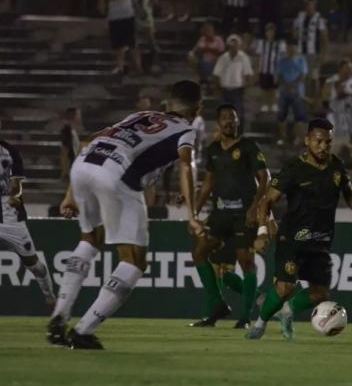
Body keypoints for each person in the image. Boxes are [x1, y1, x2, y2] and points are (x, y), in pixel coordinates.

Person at [46, 80, 203, 350]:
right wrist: (193, 213)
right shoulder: (186, 130)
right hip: (116, 174)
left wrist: (70, 194)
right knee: (133, 262)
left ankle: (58, 315)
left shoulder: (139, 116)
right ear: (198, 108)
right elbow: (187, 166)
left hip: (85, 164)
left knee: (89, 239)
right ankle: (83, 331)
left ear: (167, 103)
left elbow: (88, 140)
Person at [246, 118, 352, 340]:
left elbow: (349, 192)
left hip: (321, 240)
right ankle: (260, 324)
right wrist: (263, 231)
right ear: (307, 140)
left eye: (328, 142)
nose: (324, 146)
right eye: (319, 141)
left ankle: (287, 312)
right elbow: (267, 201)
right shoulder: (294, 169)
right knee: (285, 288)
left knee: (320, 293)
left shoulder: (336, 166)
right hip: (292, 238)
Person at [188, 104, 269, 329]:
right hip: (220, 214)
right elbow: (207, 185)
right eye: (225, 118)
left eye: (233, 118)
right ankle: (218, 304)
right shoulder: (213, 150)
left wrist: (255, 208)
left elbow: (265, 177)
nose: (229, 122)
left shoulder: (249, 146)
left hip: (243, 214)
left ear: (237, 122)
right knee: (200, 253)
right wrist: (194, 212)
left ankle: (245, 318)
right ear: (218, 123)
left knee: (246, 262)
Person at [0, 141, 56, 310]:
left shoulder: (9, 151)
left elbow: (17, 184)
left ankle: (50, 298)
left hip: (9, 216)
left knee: (34, 264)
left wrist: (14, 195)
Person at [213, 34, 254, 133]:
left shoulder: (243, 57)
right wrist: (217, 87)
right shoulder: (223, 57)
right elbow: (216, 74)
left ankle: (239, 134)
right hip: (225, 90)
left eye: (235, 44)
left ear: (238, 45)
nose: (233, 46)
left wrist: (247, 87)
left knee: (238, 114)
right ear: (228, 45)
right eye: (231, 44)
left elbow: (248, 73)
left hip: (237, 90)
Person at [322, 59, 352, 154]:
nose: (349, 71)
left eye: (351, 69)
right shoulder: (330, 80)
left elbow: (349, 95)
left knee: (351, 142)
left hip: (349, 115)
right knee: (332, 143)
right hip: (334, 115)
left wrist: (339, 89)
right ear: (340, 69)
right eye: (347, 68)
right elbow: (324, 96)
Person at [98, 0, 143, 75]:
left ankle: (138, 67)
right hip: (113, 17)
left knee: (132, 43)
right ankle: (120, 67)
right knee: (117, 45)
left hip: (127, 15)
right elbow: (102, 1)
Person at [293, 0, 329, 98]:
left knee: (314, 77)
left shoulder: (319, 18)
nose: (309, 6)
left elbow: (325, 38)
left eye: (311, 4)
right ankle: (303, 99)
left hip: (313, 53)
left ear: (315, 5)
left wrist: (324, 54)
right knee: (301, 76)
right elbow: (294, 32)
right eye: (307, 4)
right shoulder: (300, 16)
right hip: (300, 52)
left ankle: (315, 99)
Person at [276, 39, 308, 147]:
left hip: (298, 92)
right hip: (283, 92)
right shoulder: (282, 60)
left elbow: (303, 75)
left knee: (299, 116)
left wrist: (294, 86)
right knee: (282, 116)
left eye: (293, 47)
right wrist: (287, 86)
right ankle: (282, 138)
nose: (291, 49)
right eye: (289, 47)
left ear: (296, 48)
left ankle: (298, 138)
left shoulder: (301, 60)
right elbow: (279, 76)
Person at [254, 23, 286, 113]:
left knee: (274, 88)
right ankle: (264, 104)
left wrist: (282, 70)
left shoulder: (280, 43)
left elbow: (283, 56)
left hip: (275, 69)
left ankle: (274, 104)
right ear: (265, 32)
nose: (270, 33)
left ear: (274, 32)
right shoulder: (262, 43)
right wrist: (257, 69)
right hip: (264, 69)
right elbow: (259, 56)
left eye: (272, 31)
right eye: (268, 31)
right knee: (264, 88)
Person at [188, 22, 225, 89]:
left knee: (214, 62)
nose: (209, 32)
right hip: (203, 60)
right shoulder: (202, 39)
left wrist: (208, 49)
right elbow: (196, 50)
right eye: (207, 30)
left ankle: (209, 81)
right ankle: (204, 80)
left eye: (210, 30)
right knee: (193, 58)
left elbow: (222, 51)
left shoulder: (218, 39)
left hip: (215, 60)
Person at [59, 107, 82, 181]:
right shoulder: (67, 131)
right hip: (71, 166)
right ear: (73, 116)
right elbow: (65, 150)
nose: (80, 117)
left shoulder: (74, 131)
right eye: (78, 115)